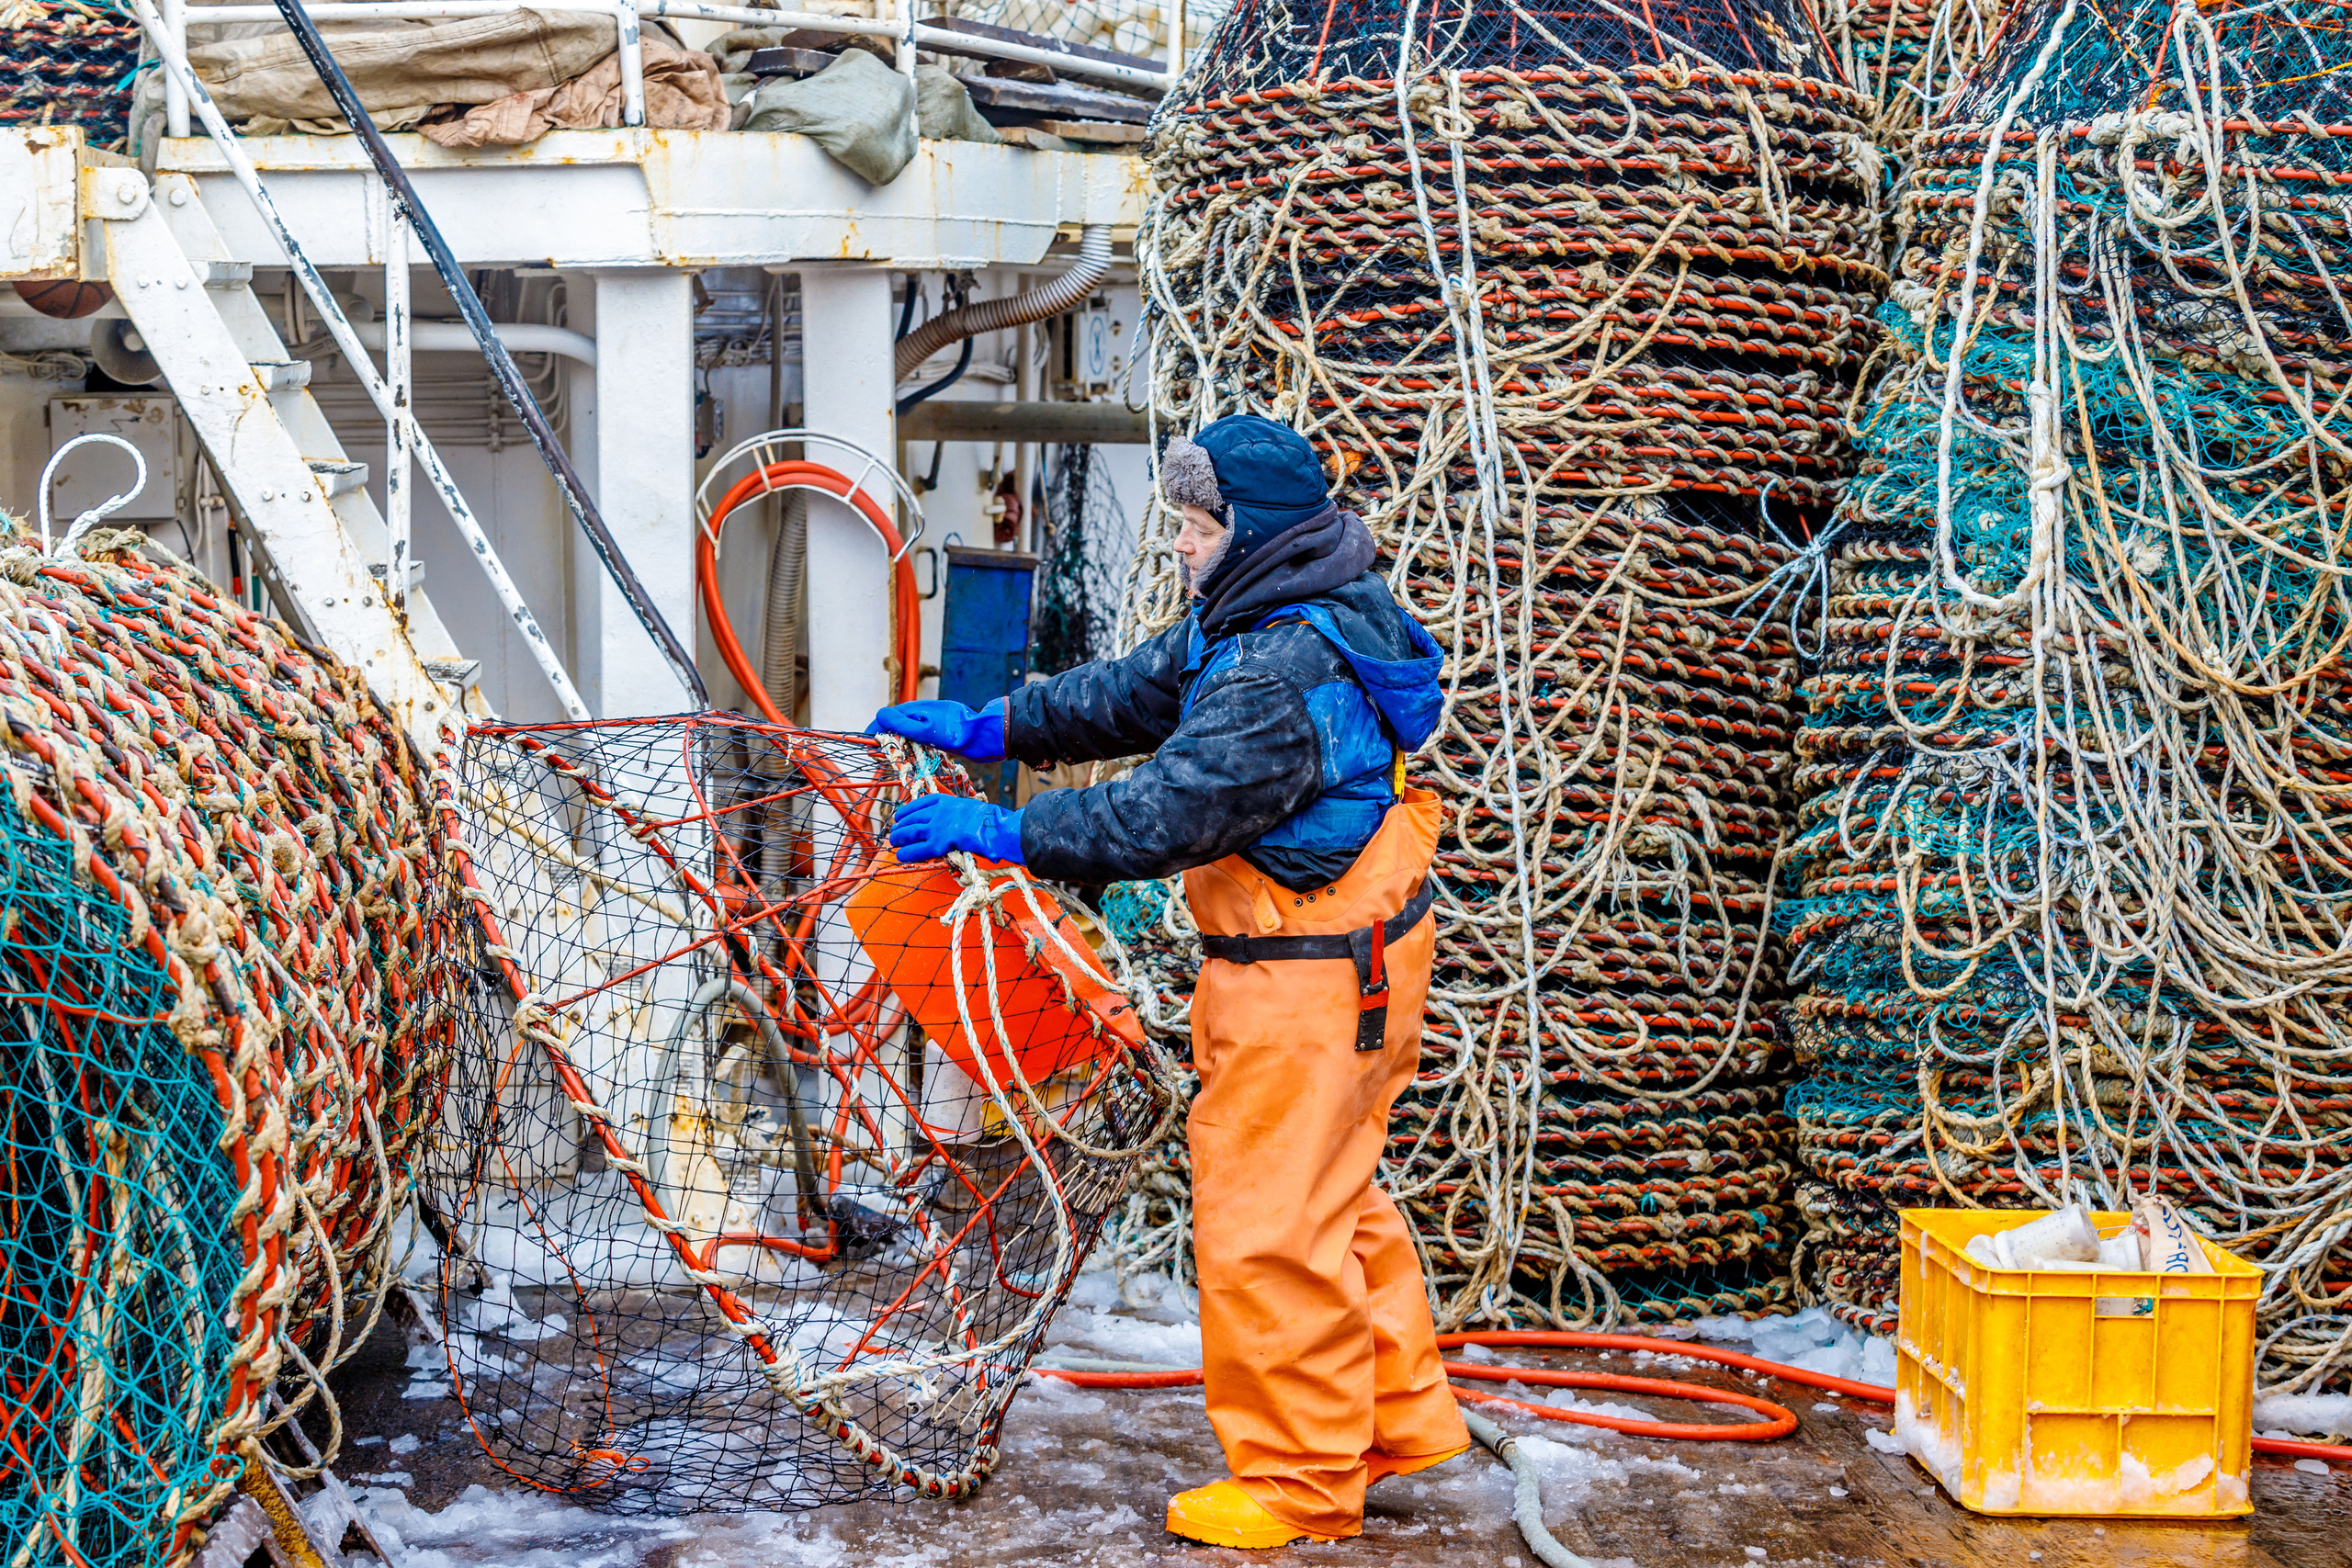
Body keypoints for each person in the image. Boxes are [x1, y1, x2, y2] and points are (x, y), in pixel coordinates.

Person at [870, 414, 1471, 1549]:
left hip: (1305, 974)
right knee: (1333, 1199)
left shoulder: (1283, 667)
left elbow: (1165, 811)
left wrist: (1009, 830)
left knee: (1265, 1221)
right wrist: (1001, 721)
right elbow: (1142, 691)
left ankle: (1300, 1483)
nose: (1185, 545)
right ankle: (1389, 1423)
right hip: (1354, 954)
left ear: (1247, 527)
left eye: (1198, 527)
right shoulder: (1272, 607)